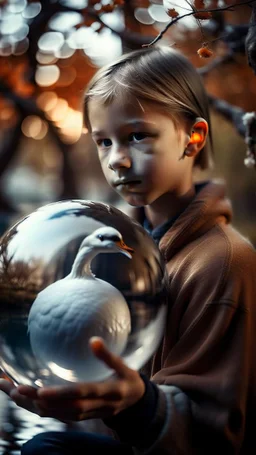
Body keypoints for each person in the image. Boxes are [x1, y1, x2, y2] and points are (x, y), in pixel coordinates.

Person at [1, 45, 256, 455]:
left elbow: (222, 434)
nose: (117, 160)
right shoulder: (108, 247)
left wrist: (140, 405)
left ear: (192, 138)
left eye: (137, 136)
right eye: (103, 142)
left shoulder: (225, 262)